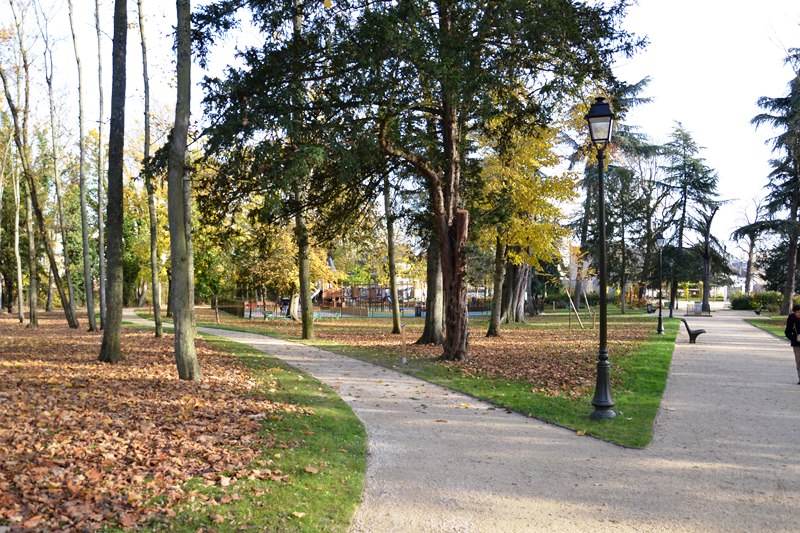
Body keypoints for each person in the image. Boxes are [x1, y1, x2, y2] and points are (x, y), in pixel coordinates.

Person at [783, 304, 800, 384]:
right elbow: (787, 332)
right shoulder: (791, 318)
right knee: (799, 361)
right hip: (796, 344)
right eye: (798, 312)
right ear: (794, 312)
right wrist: (795, 338)